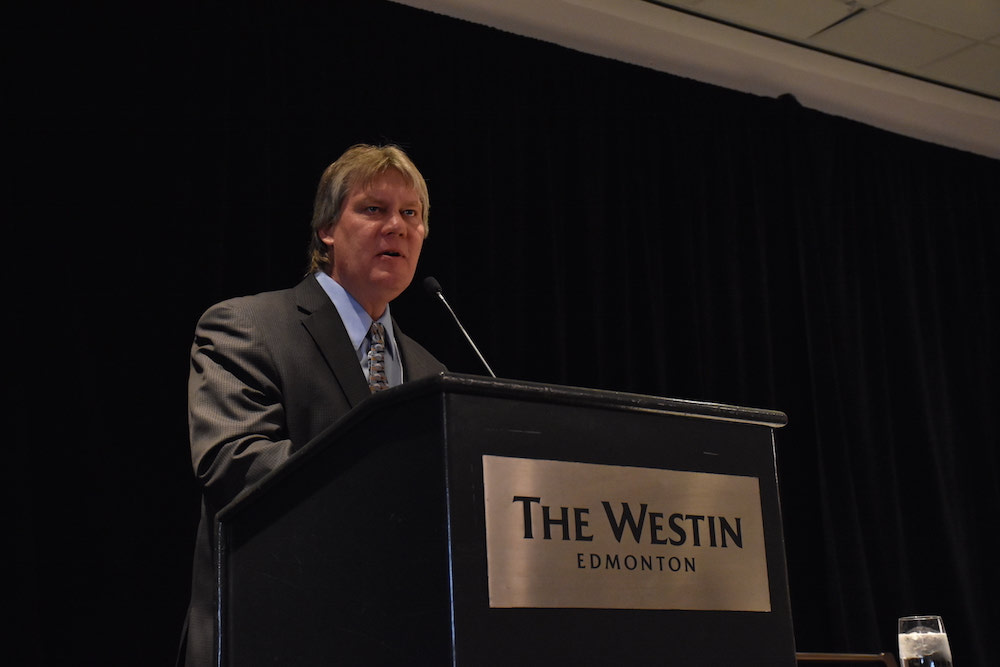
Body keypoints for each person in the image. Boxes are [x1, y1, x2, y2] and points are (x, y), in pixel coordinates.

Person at [179, 144, 447, 666]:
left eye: (411, 213)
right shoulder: (247, 327)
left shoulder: (433, 373)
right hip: (271, 636)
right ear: (327, 228)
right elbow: (233, 460)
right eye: (374, 209)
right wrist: (389, 489)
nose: (397, 226)